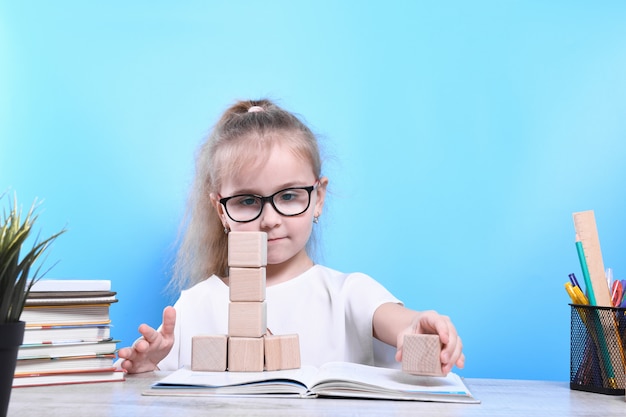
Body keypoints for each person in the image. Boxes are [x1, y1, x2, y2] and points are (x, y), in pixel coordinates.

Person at [117, 99, 465, 374]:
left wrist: (418, 328)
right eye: (247, 201)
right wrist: (146, 369)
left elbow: (401, 324)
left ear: (318, 198)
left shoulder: (349, 294)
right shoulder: (194, 306)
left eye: (288, 196)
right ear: (221, 210)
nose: (269, 220)